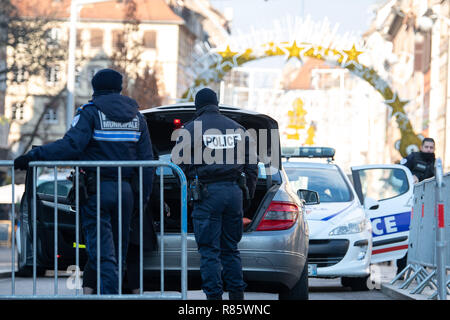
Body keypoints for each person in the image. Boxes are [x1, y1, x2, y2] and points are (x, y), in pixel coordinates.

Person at [14, 68, 154, 294]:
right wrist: (142, 199)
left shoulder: (90, 112)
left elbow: (71, 146)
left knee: (102, 252)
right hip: (126, 192)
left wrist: (33, 157)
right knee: (119, 251)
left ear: (95, 88)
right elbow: (148, 162)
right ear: (120, 88)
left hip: (97, 189)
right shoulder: (137, 117)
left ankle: (109, 296)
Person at [171, 88, 258, 300]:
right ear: (216, 103)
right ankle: (237, 299)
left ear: (197, 106)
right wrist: (247, 195)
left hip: (207, 194)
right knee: (230, 249)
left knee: (209, 251)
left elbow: (177, 165)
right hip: (234, 192)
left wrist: (189, 186)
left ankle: (214, 299)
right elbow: (252, 166)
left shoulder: (190, 129)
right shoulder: (237, 128)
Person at [397, 137, 436, 276]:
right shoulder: (413, 157)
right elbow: (399, 172)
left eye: (431, 148)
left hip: (426, 207)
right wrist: (410, 176)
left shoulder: (435, 163)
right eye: (427, 147)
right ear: (421, 147)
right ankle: (401, 271)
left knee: (424, 239)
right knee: (407, 236)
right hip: (408, 204)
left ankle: (421, 272)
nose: (429, 150)